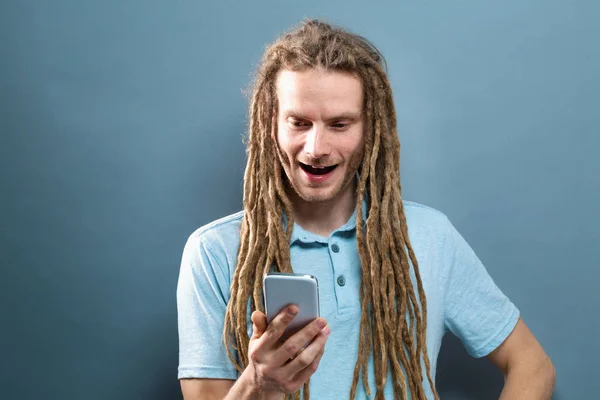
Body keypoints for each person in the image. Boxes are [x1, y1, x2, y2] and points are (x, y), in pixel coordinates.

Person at [176, 19, 555, 400]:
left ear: (369, 130)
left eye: (340, 124)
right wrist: (260, 384)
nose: (316, 147)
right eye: (299, 123)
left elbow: (532, 365)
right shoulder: (214, 253)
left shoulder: (430, 236)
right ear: (269, 125)